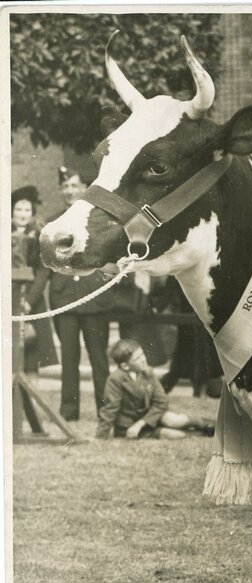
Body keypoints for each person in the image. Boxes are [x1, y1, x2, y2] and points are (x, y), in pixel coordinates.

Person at [47, 166, 117, 421]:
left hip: (94, 298)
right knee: (69, 358)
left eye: (74, 185)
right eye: (65, 186)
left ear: (85, 188)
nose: (69, 191)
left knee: (98, 357)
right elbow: (45, 264)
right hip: (64, 298)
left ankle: (105, 411)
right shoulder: (53, 221)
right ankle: (69, 411)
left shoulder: (97, 220)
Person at [96, 339, 214, 440]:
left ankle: (209, 425)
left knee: (174, 420)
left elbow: (162, 402)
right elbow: (110, 409)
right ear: (125, 366)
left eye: (142, 354)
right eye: (137, 358)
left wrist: (141, 423)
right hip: (130, 426)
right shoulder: (115, 379)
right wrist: (100, 436)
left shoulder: (147, 373)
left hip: (150, 417)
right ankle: (202, 434)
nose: (143, 359)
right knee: (173, 435)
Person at [11, 185, 58, 436]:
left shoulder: (38, 236)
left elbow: (42, 273)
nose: (22, 214)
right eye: (18, 209)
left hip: (32, 304)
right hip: (7, 303)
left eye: (26, 210)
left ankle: (35, 419)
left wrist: (28, 301)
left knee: (30, 363)